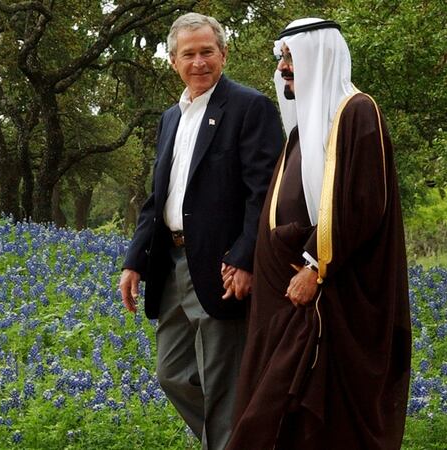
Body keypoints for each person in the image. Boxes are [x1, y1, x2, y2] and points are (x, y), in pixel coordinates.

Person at [226, 18, 412, 449]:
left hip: (333, 297)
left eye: (291, 58)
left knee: (321, 418)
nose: (283, 68)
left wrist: (314, 264)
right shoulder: (301, 132)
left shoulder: (356, 112)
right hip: (287, 300)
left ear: (318, 57)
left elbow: (361, 205)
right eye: (281, 59)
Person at [118, 12, 283, 450]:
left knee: (223, 383)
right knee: (171, 374)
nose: (198, 62)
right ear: (172, 61)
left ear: (223, 54)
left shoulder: (250, 107)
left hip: (221, 266)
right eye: (188, 54)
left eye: (207, 52)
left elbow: (263, 193)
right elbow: (158, 197)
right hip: (170, 264)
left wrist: (246, 256)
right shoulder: (172, 117)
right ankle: (241, 440)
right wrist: (135, 260)